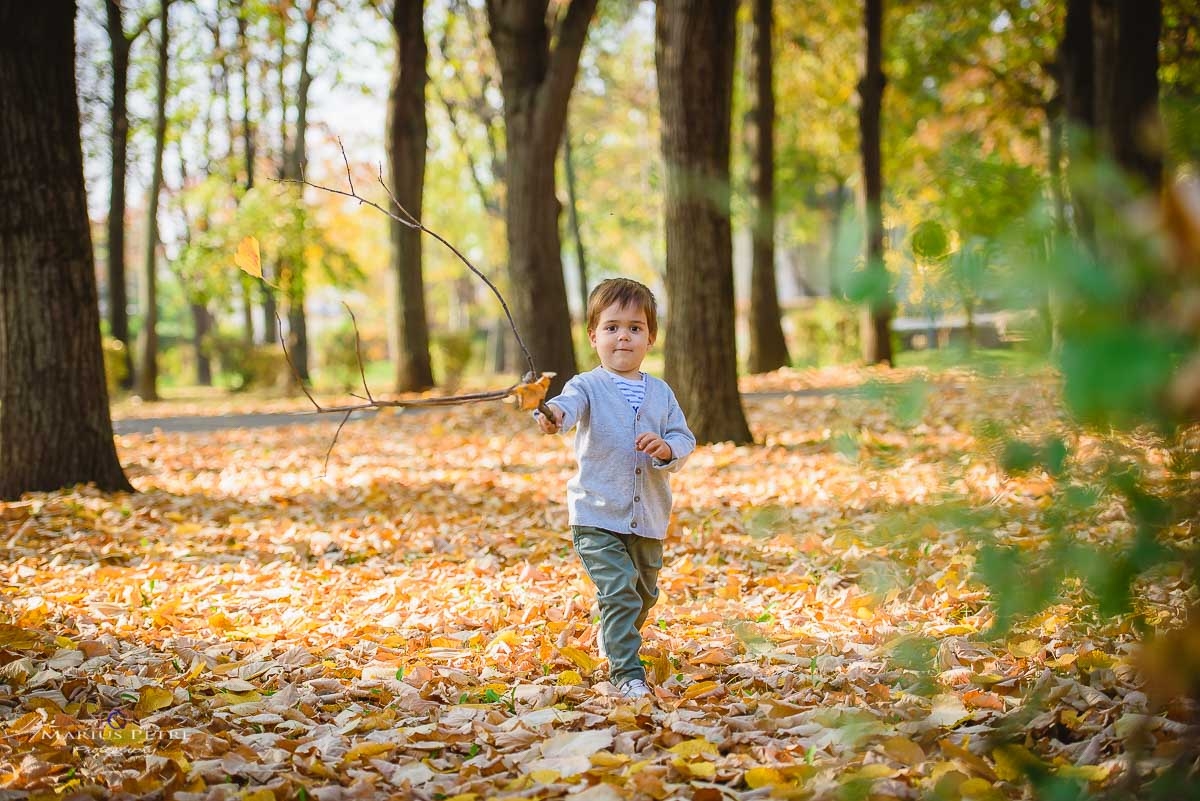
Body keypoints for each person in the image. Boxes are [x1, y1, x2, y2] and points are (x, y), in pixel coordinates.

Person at [535, 278, 696, 700]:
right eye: (611, 327)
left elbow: (684, 439)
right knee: (621, 590)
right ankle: (627, 674)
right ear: (593, 336)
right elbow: (565, 409)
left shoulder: (660, 392)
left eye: (634, 327)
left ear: (650, 337)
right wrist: (551, 414)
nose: (622, 335)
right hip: (596, 515)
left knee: (643, 595)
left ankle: (613, 630)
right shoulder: (587, 386)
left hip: (648, 519)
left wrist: (666, 448)